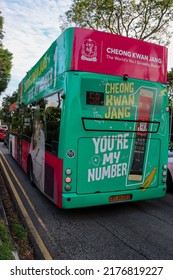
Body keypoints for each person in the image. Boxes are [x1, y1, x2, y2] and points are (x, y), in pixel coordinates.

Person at [29, 107, 45, 192]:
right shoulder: (38, 132)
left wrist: (34, 154)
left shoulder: (40, 133)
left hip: (39, 155)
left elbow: (37, 147)